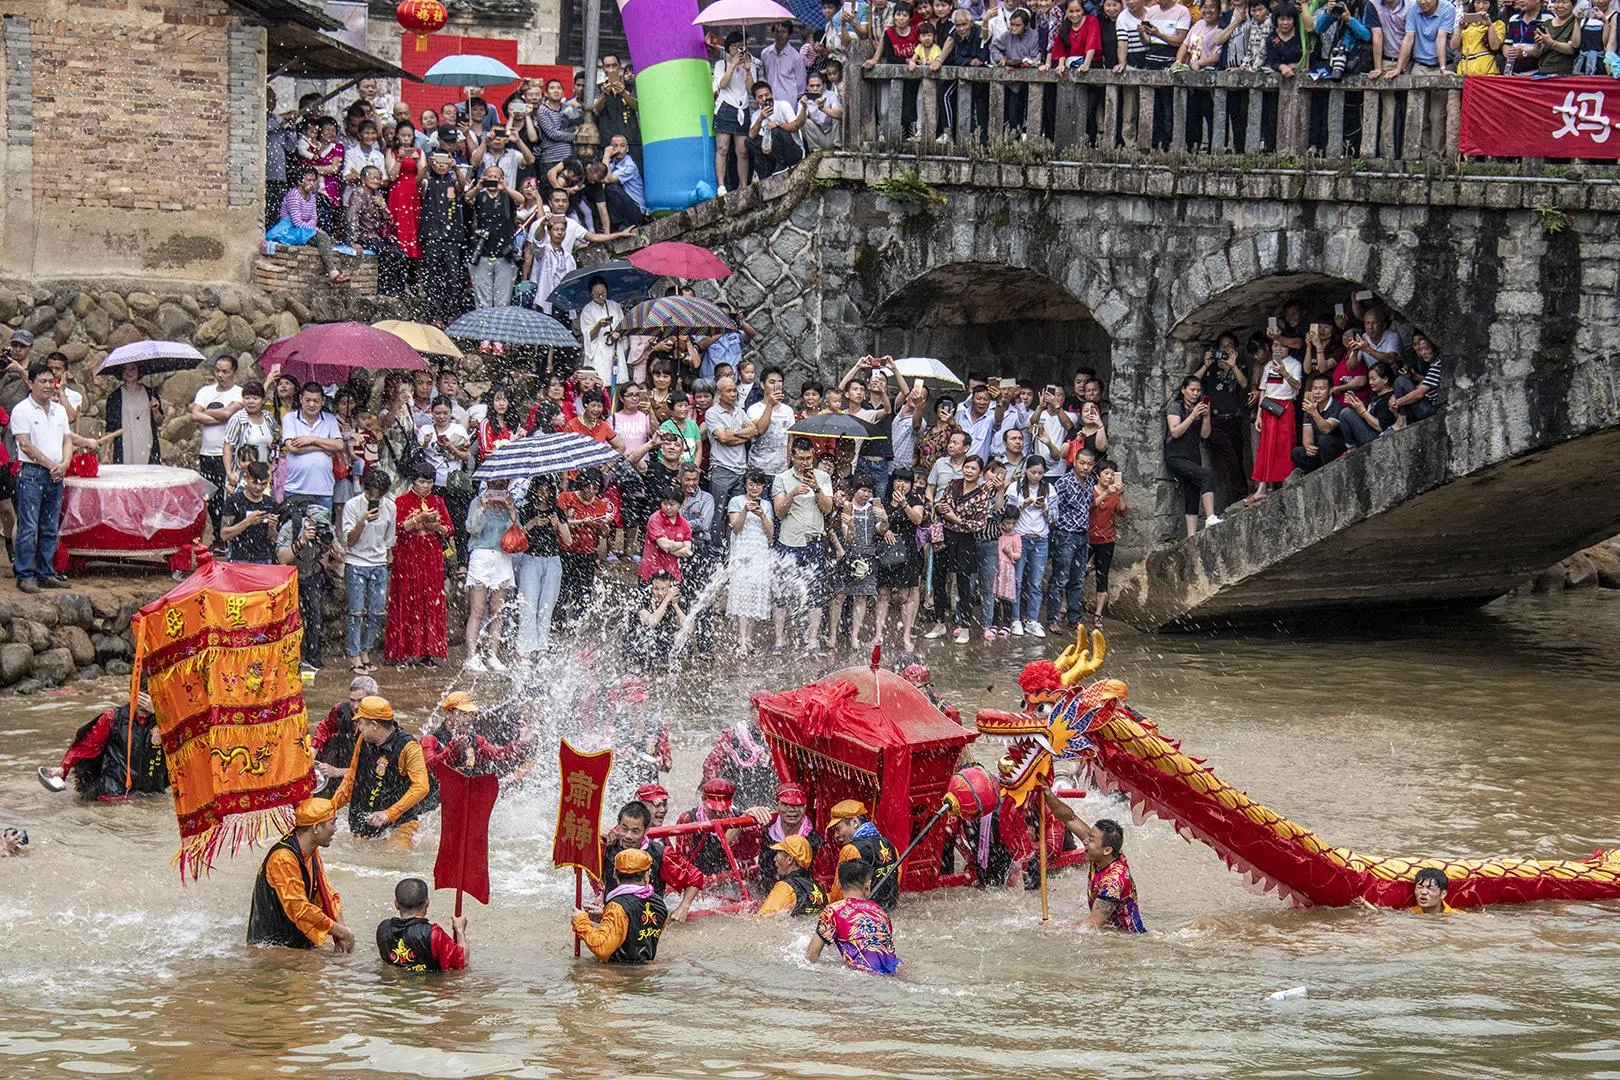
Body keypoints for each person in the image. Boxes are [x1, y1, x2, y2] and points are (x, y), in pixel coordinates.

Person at [12, 362, 91, 592]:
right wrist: (51, 465)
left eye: (51, 381)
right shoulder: (22, 410)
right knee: (28, 526)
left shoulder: (59, 411)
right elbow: (25, 444)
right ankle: (25, 574)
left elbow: (67, 439)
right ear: (30, 383)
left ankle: (46, 572)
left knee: (49, 526)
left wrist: (65, 463)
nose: (48, 386)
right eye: (43, 381)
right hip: (32, 474)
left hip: (56, 474)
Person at [247, 796, 355, 951]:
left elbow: (328, 893)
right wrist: (342, 932)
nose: (336, 828)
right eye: (333, 822)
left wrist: (342, 934)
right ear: (316, 827)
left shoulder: (311, 851)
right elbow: (300, 909)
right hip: (272, 948)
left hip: (296, 942)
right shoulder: (283, 858)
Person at [330, 695, 436, 850]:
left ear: (374, 725)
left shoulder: (409, 746)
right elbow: (352, 778)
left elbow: (422, 787)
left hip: (399, 822)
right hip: (365, 818)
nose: (358, 727)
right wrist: (329, 808)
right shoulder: (363, 740)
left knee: (395, 856)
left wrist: (389, 814)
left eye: (360, 723)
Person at [1039, 784, 1145, 931]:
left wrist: (1055, 926)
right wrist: (1048, 795)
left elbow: (1093, 924)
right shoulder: (1103, 855)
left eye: (1092, 839)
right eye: (1088, 836)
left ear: (1107, 850)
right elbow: (1070, 819)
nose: (1086, 841)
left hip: (1125, 940)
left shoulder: (1113, 882)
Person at [385, 464, 451, 667]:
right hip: (407, 557)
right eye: (422, 482)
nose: (425, 486)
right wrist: (419, 519)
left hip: (431, 558)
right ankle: (402, 652)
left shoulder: (437, 501)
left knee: (430, 602)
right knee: (406, 599)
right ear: (413, 481)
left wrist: (435, 526)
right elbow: (397, 528)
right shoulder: (401, 501)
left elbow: (449, 529)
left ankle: (427, 652)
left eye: (429, 482)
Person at [49, 690, 166, 800]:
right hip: (114, 793)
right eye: (140, 700)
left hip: (151, 792)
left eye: (148, 702)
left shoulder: (167, 722)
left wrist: (160, 715)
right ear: (131, 694)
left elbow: (181, 748)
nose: (144, 707)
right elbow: (86, 746)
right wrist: (64, 767)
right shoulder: (113, 718)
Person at [599, 799, 705, 919]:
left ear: (646, 830)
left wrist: (683, 908)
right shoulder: (606, 847)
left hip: (648, 923)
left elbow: (695, 877)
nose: (628, 836)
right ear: (618, 824)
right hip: (613, 919)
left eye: (635, 831)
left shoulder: (661, 855)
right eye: (624, 829)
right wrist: (597, 831)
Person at [341, 470, 395, 675]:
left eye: (378, 495)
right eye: (371, 494)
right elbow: (349, 540)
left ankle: (366, 652)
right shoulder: (353, 505)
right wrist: (362, 521)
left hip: (379, 564)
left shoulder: (390, 506)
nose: (375, 499)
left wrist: (387, 559)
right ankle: (354, 654)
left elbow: (389, 539)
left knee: (376, 612)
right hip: (355, 563)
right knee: (355, 612)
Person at [807, 858, 901, 974]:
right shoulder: (880, 912)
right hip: (893, 973)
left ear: (839, 885)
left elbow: (811, 956)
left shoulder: (833, 911)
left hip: (863, 978)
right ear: (867, 886)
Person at [573, 849, 667, 963]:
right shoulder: (658, 903)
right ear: (647, 875)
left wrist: (581, 922)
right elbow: (639, 928)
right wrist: (605, 916)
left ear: (614, 874)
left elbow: (602, 948)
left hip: (619, 975)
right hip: (644, 971)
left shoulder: (617, 907)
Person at [276, 500, 339, 672]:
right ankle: (288, 657)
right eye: (317, 525)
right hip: (291, 575)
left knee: (316, 614)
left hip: (313, 573)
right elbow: (282, 559)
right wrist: (302, 541)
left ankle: (313, 657)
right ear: (309, 521)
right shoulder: (291, 527)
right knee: (290, 617)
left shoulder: (327, 529)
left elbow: (342, 555)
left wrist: (331, 544)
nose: (320, 528)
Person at [463, 478, 516, 673]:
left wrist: (511, 510)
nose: (498, 488)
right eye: (495, 485)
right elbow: (473, 529)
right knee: (477, 609)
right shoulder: (477, 502)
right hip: (481, 555)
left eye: (502, 485)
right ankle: (471, 655)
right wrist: (483, 508)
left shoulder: (508, 503)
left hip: (502, 557)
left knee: (497, 610)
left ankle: (492, 654)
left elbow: (514, 532)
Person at [513, 475, 570, 659]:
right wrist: (531, 524)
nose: (543, 493)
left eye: (547, 489)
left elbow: (568, 541)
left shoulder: (558, 511)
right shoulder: (525, 509)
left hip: (553, 560)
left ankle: (542, 645)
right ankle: (526, 647)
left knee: (547, 605)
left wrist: (557, 524)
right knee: (528, 603)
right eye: (540, 489)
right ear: (534, 490)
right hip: (530, 558)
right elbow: (516, 536)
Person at [1164, 374, 1220, 535]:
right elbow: (1175, 432)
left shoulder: (1200, 409)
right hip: (1175, 455)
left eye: (1198, 390)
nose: (1195, 393)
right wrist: (1193, 415)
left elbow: (1205, 435)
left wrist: (1206, 416)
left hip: (1193, 454)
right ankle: (1210, 517)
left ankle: (1191, 536)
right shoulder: (1176, 407)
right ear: (1183, 390)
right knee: (1206, 476)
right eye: (1192, 390)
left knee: (1192, 492)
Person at [745, 782, 824, 890]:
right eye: (786, 805)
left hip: (800, 897)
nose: (792, 810)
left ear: (805, 806)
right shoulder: (765, 830)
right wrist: (746, 815)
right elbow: (731, 844)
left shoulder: (815, 840)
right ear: (776, 805)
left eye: (797, 805)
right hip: (765, 893)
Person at [378, 876, 468, 971]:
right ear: (427, 903)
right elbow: (463, 961)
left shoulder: (384, 928)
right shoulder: (433, 934)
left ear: (396, 904)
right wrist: (459, 930)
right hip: (429, 985)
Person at [826, 799, 899, 910]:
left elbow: (840, 890)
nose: (836, 835)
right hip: (889, 909)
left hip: (862, 913)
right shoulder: (888, 843)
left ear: (854, 822)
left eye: (838, 829)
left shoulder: (851, 850)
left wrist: (827, 904)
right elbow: (897, 876)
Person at [311, 675, 373, 799]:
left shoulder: (380, 724)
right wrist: (312, 751)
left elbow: (374, 769)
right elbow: (324, 728)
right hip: (345, 755)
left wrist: (338, 772)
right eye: (352, 700)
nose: (355, 706)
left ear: (373, 699)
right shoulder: (341, 710)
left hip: (365, 772)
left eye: (360, 700)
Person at [1086, 460, 1128, 627]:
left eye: (1112, 474)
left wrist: (1120, 494)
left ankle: (1098, 613)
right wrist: (1106, 493)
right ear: (1098, 475)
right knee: (1077, 574)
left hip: (1107, 538)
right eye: (1106, 474)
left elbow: (1123, 512)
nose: (1109, 477)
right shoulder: (1091, 489)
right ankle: (1065, 608)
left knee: (1102, 576)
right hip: (1088, 537)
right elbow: (1089, 506)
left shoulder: (1115, 494)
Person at [220, 461, 280, 564]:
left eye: (263, 484)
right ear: (246, 478)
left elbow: (273, 539)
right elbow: (224, 534)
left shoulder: (270, 503)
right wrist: (248, 522)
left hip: (264, 558)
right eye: (254, 482)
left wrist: (272, 527)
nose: (258, 487)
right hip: (239, 558)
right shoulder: (234, 501)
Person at [105, 363, 162, 465]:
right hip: (124, 445)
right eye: (125, 369)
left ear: (139, 371)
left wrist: (155, 410)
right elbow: (111, 428)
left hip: (147, 443)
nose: (129, 372)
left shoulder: (150, 393)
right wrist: (106, 453)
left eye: (133, 369)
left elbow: (159, 422)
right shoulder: (114, 397)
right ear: (121, 373)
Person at [756, 835, 828, 917]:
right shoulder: (818, 888)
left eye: (778, 854)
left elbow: (761, 919)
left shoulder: (785, 887)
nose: (774, 859)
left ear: (789, 859)